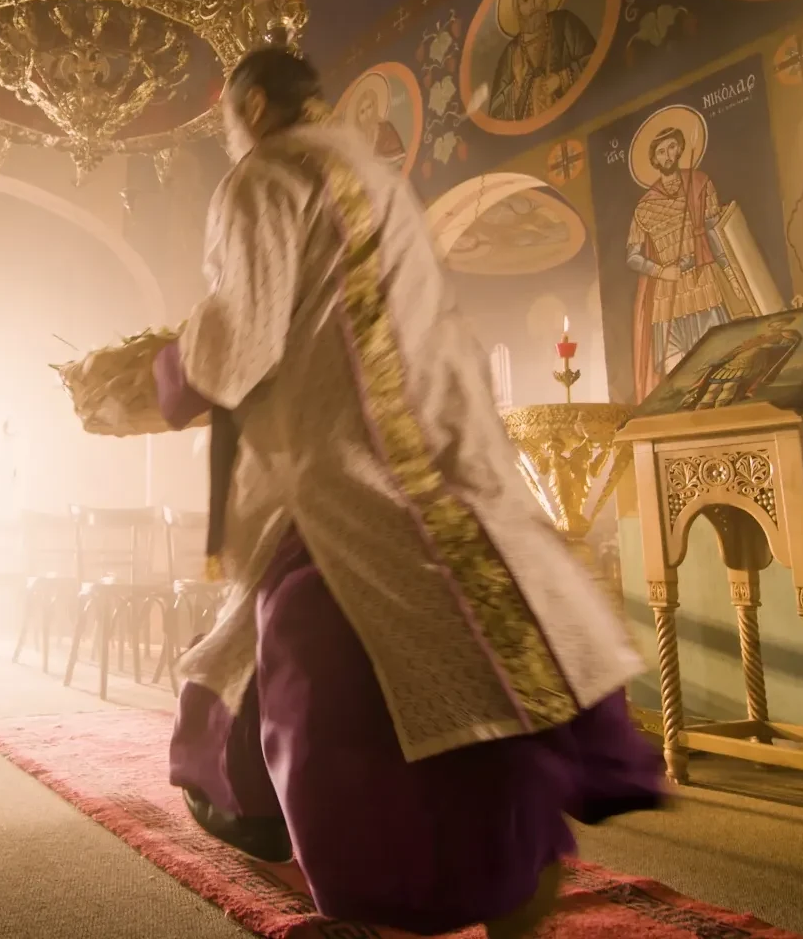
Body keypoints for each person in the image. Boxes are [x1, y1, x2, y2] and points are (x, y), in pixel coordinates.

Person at [148, 48, 664, 937]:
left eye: (225, 119)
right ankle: (514, 898)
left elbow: (241, 340)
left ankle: (380, 911)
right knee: (491, 687)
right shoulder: (380, 178)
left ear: (254, 105)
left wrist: (160, 372)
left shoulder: (264, 174)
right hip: (443, 466)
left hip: (344, 485)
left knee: (328, 698)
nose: (227, 136)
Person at [626, 125, 732, 401]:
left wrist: (729, 270)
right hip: (667, 291)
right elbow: (633, 257)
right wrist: (663, 271)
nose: (668, 154)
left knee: (718, 353)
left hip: (702, 282)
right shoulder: (644, 207)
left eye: (672, 147)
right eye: (661, 151)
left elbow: (714, 230)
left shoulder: (700, 183)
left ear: (680, 148)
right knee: (675, 366)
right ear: (654, 159)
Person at [487, 0, 596, 123]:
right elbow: (495, 114)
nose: (535, 3)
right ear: (516, 8)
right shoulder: (511, 53)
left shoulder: (565, 23)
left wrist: (562, 79)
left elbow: (595, 61)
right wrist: (517, 85)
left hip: (576, 120)